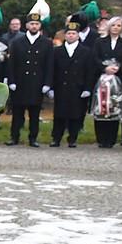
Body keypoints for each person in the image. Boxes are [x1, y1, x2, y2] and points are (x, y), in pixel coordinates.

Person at [6, 0, 54, 147]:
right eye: (31, 24)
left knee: (34, 114)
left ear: (40, 26)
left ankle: (33, 138)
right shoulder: (17, 42)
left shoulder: (46, 43)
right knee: (17, 113)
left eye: (37, 24)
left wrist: (47, 83)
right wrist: (11, 80)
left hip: (36, 84)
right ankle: (14, 137)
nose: (34, 26)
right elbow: (11, 63)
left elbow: (49, 65)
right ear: (26, 25)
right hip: (20, 83)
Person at [49, 14, 92, 147]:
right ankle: (56, 138)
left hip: (77, 87)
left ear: (78, 35)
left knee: (75, 114)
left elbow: (89, 71)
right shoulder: (57, 51)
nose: (71, 36)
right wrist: (50, 87)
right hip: (61, 86)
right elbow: (52, 70)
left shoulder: (85, 51)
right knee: (59, 114)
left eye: (74, 33)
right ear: (65, 35)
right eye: (69, 33)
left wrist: (87, 88)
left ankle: (72, 138)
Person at [92, 17, 122, 148]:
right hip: (102, 78)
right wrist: (105, 68)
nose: (116, 28)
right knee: (101, 107)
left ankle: (111, 138)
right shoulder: (99, 41)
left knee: (114, 107)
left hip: (118, 79)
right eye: (113, 25)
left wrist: (118, 68)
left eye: (119, 25)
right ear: (109, 26)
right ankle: (101, 138)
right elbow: (95, 57)